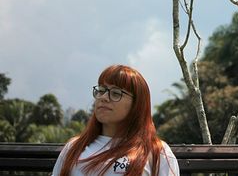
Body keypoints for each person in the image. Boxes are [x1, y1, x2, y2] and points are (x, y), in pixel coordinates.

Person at [52, 64, 180, 176]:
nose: (103, 97)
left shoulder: (157, 152)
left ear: (137, 105)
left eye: (116, 93)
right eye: (101, 90)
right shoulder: (74, 147)